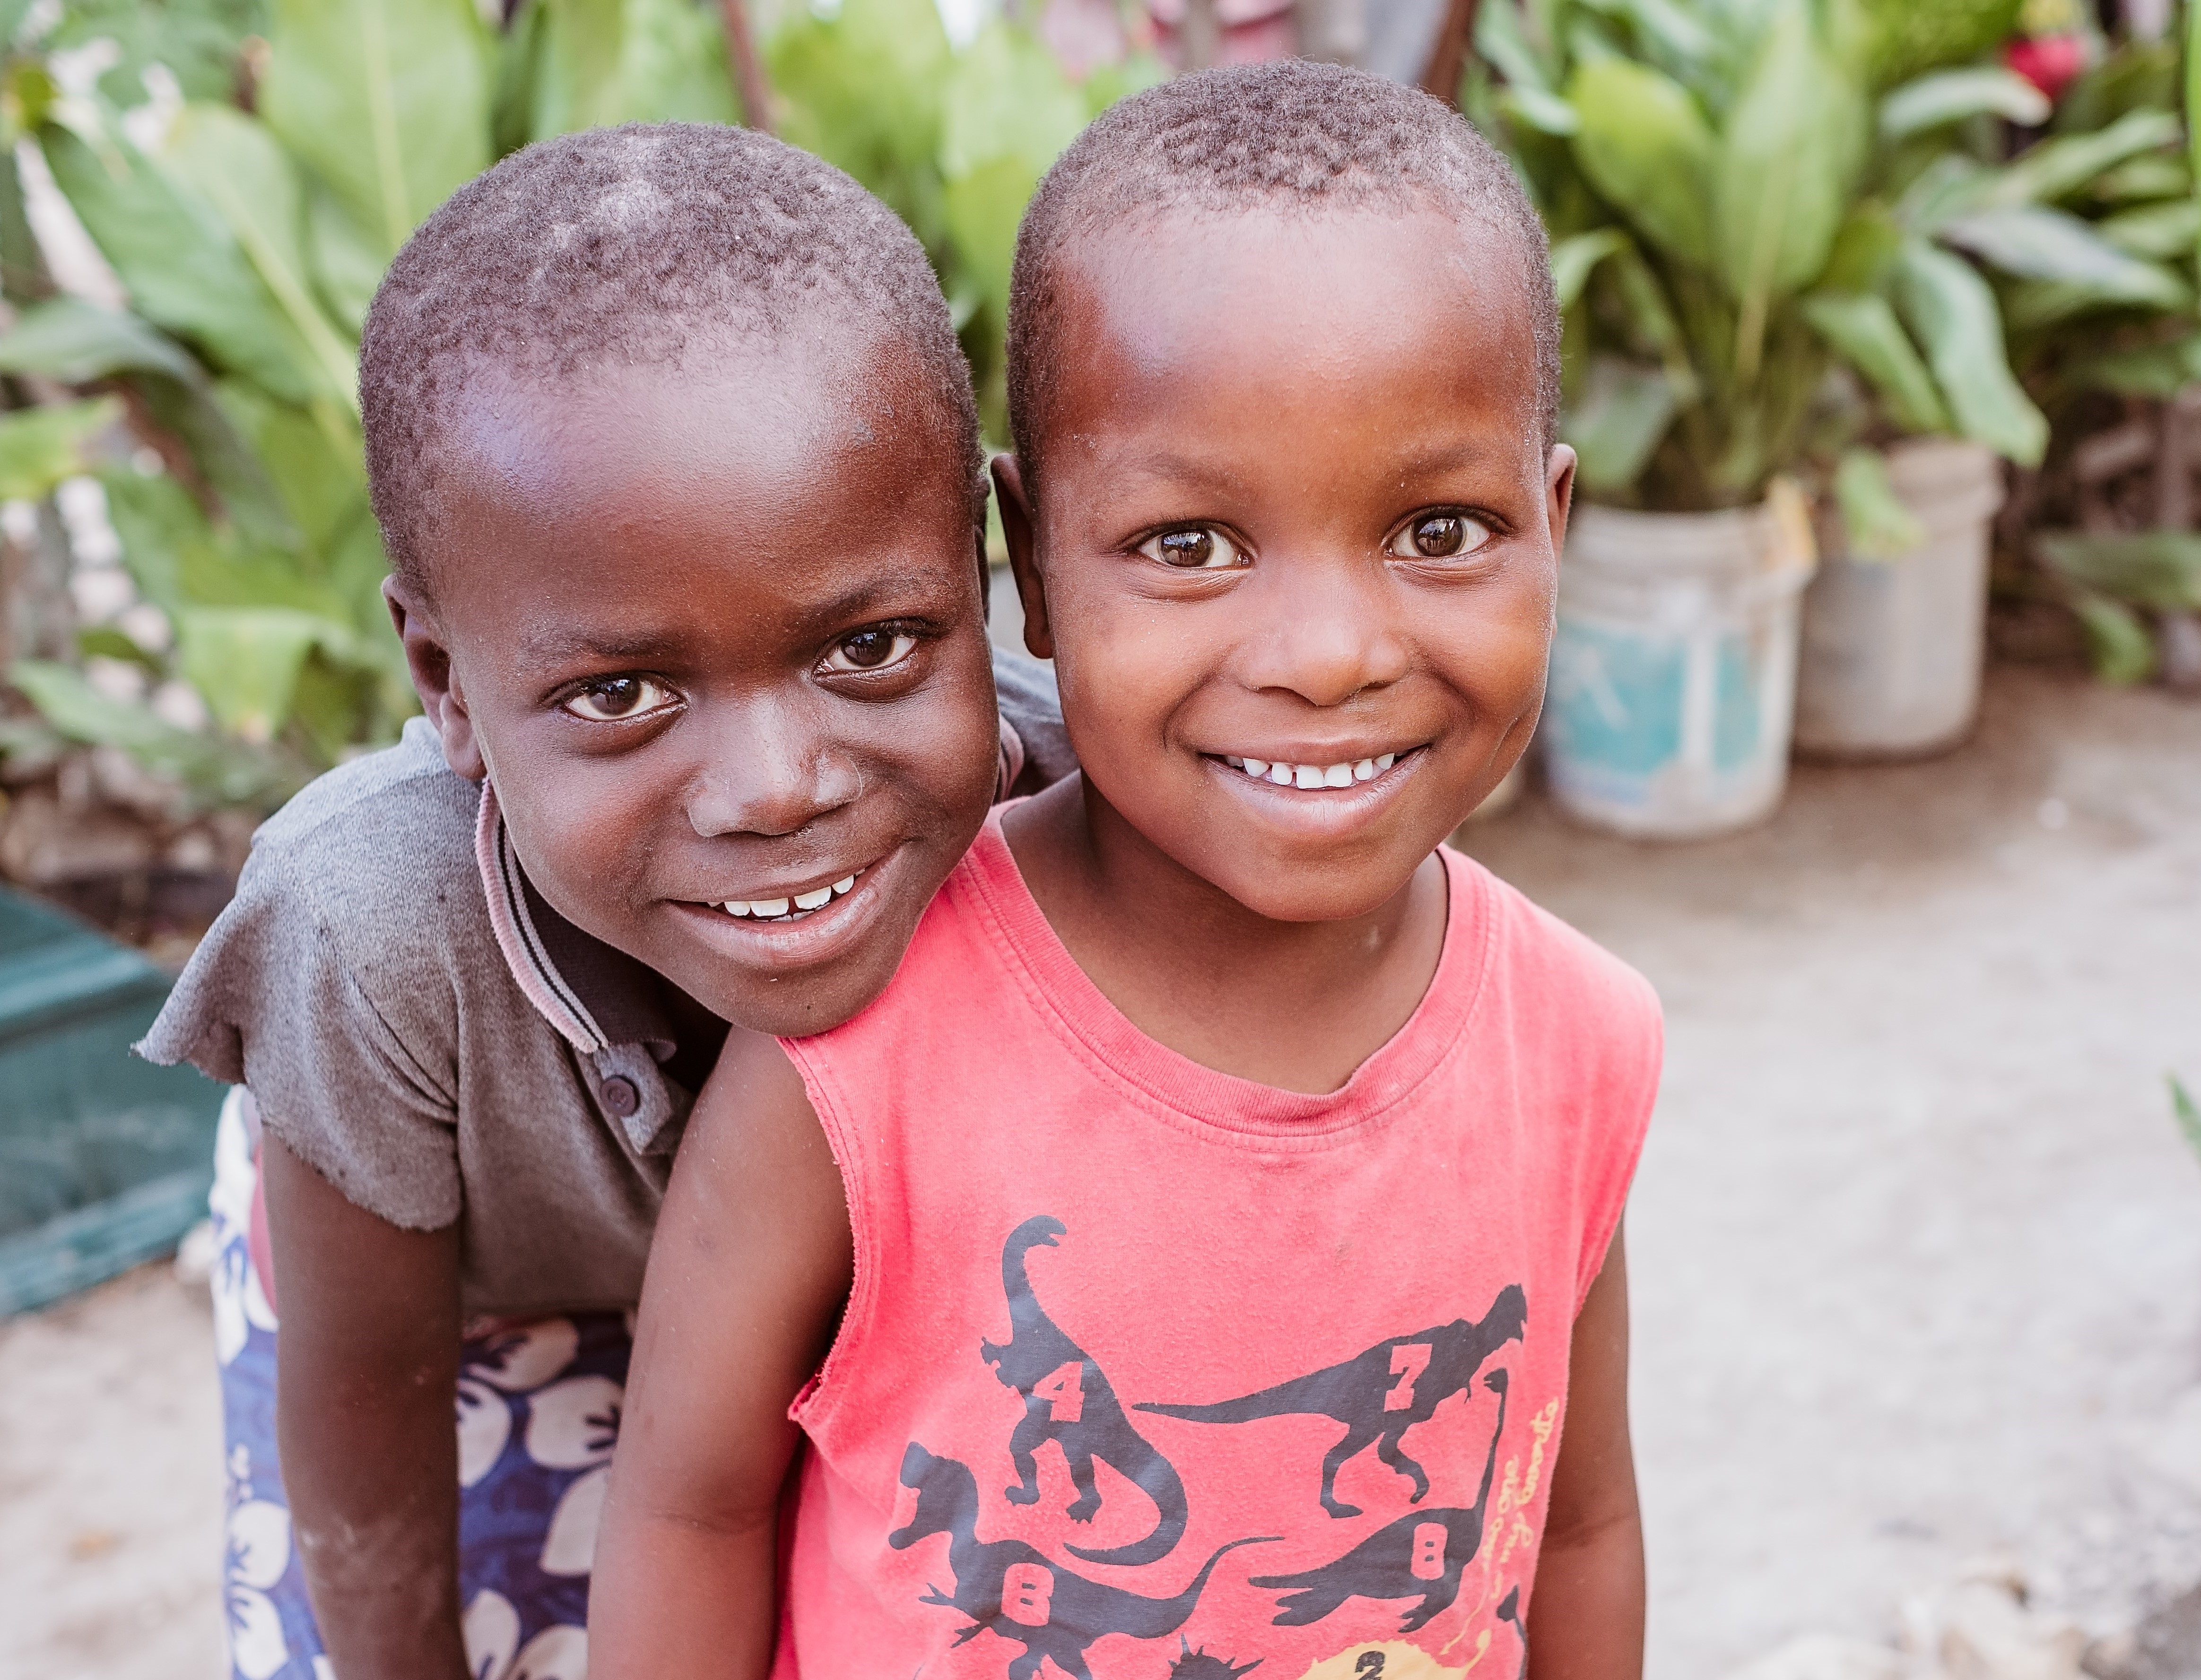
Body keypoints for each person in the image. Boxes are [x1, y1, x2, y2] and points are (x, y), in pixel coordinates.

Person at [591, 61, 1661, 1680]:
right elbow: (690, 1513)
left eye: (1438, 531)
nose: (1327, 654)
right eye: (1188, 546)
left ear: (1552, 528)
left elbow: (1573, 1527)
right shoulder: (858, 1049)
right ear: (1028, 566)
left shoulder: (1577, 1044)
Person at [139, 123, 1073, 1680]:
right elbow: (366, 1432)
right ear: (444, 680)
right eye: (623, 691)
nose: (774, 788)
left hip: (844, 1306)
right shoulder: (373, 935)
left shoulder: (1071, 819)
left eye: (869, 647)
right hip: (463, 1314)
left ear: (981, 571)